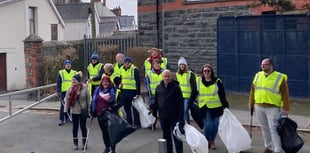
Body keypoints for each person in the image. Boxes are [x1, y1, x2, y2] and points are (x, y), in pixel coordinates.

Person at [249, 58, 290, 153]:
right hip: (259, 106)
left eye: (265, 64)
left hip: (273, 107)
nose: (262, 66)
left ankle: (277, 149)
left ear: (271, 66)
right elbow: (252, 91)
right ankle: (269, 147)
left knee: (274, 129)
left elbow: (285, 94)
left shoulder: (280, 77)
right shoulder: (258, 75)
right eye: (262, 64)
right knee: (264, 128)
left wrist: (285, 108)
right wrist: (251, 103)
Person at [195, 64, 229, 150]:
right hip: (204, 107)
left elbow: (222, 95)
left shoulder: (217, 81)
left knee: (215, 126)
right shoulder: (199, 81)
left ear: (211, 72)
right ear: (202, 72)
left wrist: (225, 105)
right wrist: (190, 102)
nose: (206, 72)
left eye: (208, 71)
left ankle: (212, 140)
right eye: (204, 71)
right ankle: (207, 141)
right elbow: (194, 93)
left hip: (216, 107)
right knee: (208, 125)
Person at [150, 69, 185, 153]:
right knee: (166, 136)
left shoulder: (176, 88)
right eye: (165, 76)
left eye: (168, 76)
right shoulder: (158, 88)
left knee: (176, 136)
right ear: (162, 77)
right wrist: (152, 108)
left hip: (174, 117)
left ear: (171, 77)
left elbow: (181, 103)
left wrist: (181, 118)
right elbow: (156, 102)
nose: (166, 78)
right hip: (163, 117)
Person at [64, 72, 90, 150]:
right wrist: (65, 111)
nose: (73, 81)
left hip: (83, 110)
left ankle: (84, 143)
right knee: (75, 127)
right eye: (72, 80)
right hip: (74, 111)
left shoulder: (85, 88)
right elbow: (67, 100)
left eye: (75, 79)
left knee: (83, 127)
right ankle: (75, 144)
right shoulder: (70, 89)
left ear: (79, 80)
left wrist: (89, 110)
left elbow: (88, 100)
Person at [91, 75, 117, 153]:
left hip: (109, 114)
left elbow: (113, 101)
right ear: (101, 82)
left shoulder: (112, 90)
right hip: (100, 114)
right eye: (103, 81)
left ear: (109, 82)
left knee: (110, 132)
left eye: (106, 81)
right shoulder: (97, 90)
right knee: (104, 132)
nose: (105, 83)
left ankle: (113, 149)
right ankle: (107, 147)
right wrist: (93, 111)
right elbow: (94, 101)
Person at [118, 56, 141, 128]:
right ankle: (129, 122)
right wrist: (120, 85)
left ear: (130, 63)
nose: (127, 64)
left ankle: (137, 123)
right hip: (124, 91)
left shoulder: (134, 69)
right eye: (125, 62)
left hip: (133, 91)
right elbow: (121, 79)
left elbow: (138, 82)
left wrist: (138, 93)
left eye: (128, 62)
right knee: (126, 108)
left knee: (134, 108)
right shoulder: (121, 69)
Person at [175, 57, 198, 124]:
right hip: (181, 96)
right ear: (178, 66)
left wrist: (192, 97)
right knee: (182, 111)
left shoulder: (190, 74)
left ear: (185, 65)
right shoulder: (177, 74)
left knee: (185, 110)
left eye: (183, 64)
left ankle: (187, 125)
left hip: (188, 97)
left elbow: (194, 86)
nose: (182, 66)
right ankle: (185, 124)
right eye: (180, 64)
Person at [144, 59, 165, 129]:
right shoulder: (149, 73)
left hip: (162, 94)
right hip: (153, 95)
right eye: (155, 64)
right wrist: (149, 92)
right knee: (154, 111)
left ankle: (163, 125)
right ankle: (153, 124)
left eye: (158, 64)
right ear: (153, 65)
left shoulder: (164, 72)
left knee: (162, 111)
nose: (157, 65)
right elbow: (147, 83)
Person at [56, 59, 77, 126]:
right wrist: (58, 91)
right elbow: (58, 82)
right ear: (65, 65)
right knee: (63, 105)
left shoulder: (74, 72)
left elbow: (77, 81)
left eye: (69, 64)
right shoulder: (61, 72)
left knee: (70, 105)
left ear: (71, 65)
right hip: (64, 91)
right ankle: (61, 119)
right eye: (67, 64)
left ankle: (67, 117)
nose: (68, 65)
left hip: (72, 91)